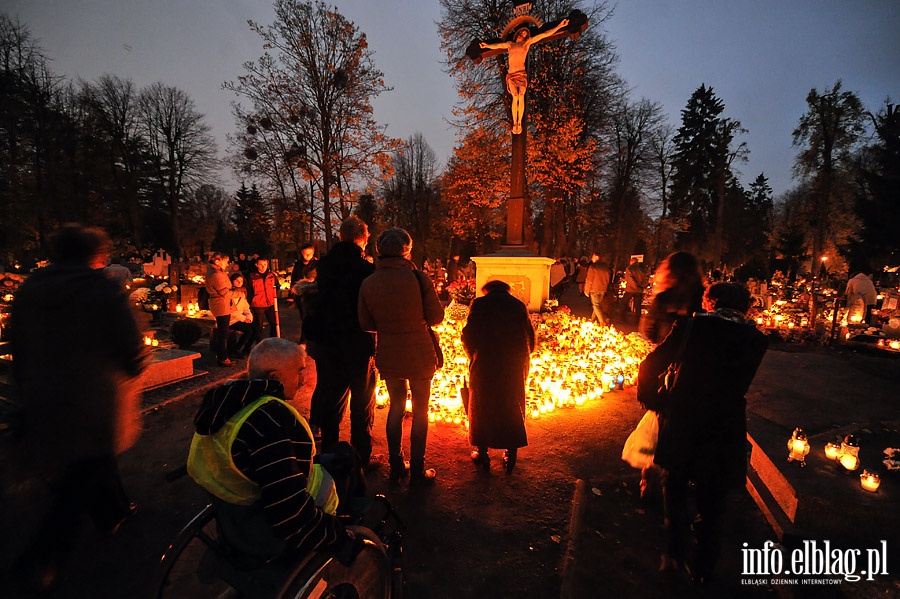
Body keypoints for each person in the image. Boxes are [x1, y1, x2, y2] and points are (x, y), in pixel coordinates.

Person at [9, 223, 148, 592]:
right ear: (94, 255)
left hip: (42, 397)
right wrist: (136, 363)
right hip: (92, 401)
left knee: (87, 464)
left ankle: (113, 513)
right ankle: (43, 560)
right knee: (80, 477)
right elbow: (132, 351)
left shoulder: (30, 289)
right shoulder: (102, 290)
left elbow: (15, 342)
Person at [187, 338, 363, 570]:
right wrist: (339, 538)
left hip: (234, 517)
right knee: (347, 457)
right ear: (274, 379)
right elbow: (291, 516)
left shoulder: (225, 404)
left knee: (336, 454)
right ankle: (352, 520)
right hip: (268, 532)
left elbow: (264, 464)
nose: (302, 380)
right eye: (299, 372)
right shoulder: (268, 422)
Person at [636, 283, 768, 585]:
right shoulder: (756, 339)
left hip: (684, 417)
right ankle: (704, 566)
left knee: (676, 484)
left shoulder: (692, 326)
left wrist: (654, 401)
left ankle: (673, 554)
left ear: (711, 302)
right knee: (713, 496)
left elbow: (651, 364)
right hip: (726, 424)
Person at [358, 228, 444, 484]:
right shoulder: (419, 279)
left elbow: (365, 323)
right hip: (420, 353)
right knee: (420, 411)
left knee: (396, 407)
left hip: (389, 353)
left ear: (379, 251)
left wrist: (388, 325)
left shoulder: (369, 283)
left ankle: (397, 463)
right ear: (407, 250)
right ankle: (417, 468)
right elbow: (437, 318)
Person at [306, 216, 377, 467]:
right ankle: (361, 457)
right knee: (362, 400)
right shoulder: (366, 270)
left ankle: (330, 455)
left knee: (331, 397)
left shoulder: (325, 267)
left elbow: (317, 304)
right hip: (359, 342)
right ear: (364, 239)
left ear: (339, 237)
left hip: (329, 342)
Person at [462, 280, 535, 474]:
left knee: (482, 406)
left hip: (486, 361)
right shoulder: (518, 306)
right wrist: (523, 361)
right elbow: (530, 336)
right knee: (512, 404)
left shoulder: (480, 304)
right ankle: (511, 453)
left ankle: (483, 452)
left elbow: (469, 334)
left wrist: (473, 356)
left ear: (487, 291)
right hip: (513, 363)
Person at [479, 19, 570, 134]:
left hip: (521, 75)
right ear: (518, 34)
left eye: (526, 34)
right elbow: (497, 45)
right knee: (515, 96)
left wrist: (559, 26)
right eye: (522, 33)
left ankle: (519, 122)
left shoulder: (526, 44)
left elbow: (544, 34)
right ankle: (514, 122)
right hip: (511, 75)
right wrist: (487, 45)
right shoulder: (510, 45)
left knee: (521, 96)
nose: (524, 35)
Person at [639, 251, 706, 344]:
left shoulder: (663, 298)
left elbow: (650, 329)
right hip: (695, 354)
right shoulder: (705, 297)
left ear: (670, 271)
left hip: (667, 354)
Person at [207, 252, 236, 367]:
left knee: (223, 330)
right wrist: (238, 293)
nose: (227, 264)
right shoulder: (215, 274)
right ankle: (222, 357)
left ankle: (223, 355)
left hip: (222, 303)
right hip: (221, 304)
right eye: (225, 261)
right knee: (223, 331)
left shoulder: (218, 272)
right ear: (217, 261)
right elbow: (224, 292)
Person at [290, 243, 319, 345]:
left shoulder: (317, 264)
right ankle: (306, 340)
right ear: (302, 253)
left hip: (312, 295)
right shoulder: (298, 264)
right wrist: (292, 294)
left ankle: (305, 340)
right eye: (305, 254)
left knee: (309, 317)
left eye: (309, 254)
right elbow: (294, 278)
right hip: (300, 295)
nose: (307, 256)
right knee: (304, 317)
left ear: (313, 253)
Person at [248, 257, 279, 342]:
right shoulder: (252, 277)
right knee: (258, 326)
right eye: (261, 265)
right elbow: (249, 291)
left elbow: (277, 287)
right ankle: (259, 344)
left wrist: (274, 297)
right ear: (256, 265)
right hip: (258, 304)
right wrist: (250, 303)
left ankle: (274, 342)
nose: (263, 267)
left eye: (265, 264)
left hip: (271, 303)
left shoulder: (272, 276)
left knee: (274, 324)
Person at [228, 272, 254, 357]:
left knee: (256, 328)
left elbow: (246, 307)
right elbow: (231, 311)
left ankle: (246, 348)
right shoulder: (230, 293)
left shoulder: (242, 293)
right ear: (232, 281)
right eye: (237, 281)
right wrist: (243, 319)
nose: (239, 283)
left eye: (241, 281)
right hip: (230, 320)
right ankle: (236, 349)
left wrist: (249, 317)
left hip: (239, 318)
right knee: (248, 331)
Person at [583, 252, 611, 325]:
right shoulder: (605, 266)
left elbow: (589, 279)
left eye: (593, 256)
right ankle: (592, 320)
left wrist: (586, 290)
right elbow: (608, 278)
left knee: (596, 305)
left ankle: (602, 321)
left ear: (596, 257)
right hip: (603, 288)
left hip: (594, 288)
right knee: (597, 305)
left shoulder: (593, 267)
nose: (591, 258)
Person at [623, 257, 649, 325]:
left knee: (623, 303)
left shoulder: (629, 268)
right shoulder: (642, 269)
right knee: (637, 306)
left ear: (632, 262)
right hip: (639, 291)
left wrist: (636, 287)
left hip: (630, 289)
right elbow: (646, 279)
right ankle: (637, 321)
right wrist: (642, 287)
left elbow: (630, 279)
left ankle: (623, 318)